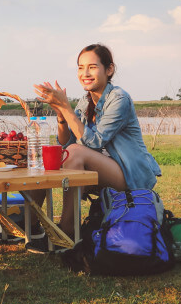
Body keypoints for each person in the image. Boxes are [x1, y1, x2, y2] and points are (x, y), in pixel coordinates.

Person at [25, 43, 162, 253]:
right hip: (103, 168)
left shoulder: (119, 99)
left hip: (130, 174)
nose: (84, 73)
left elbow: (95, 142)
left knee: (76, 153)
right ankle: (32, 226)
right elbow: (67, 144)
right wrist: (62, 117)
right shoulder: (85, 100)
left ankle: (68, 232)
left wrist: (66, 107)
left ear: (109, 70)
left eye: (92, 67)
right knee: (50, 155)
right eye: (80, 67)